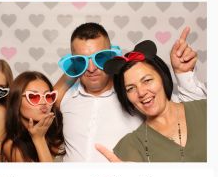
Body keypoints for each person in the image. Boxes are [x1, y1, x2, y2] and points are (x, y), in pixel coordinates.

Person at [56, 23, 206, 162]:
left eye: (99, 58)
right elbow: (43, 104)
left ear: (111, 56)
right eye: (81, 61)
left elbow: (189, 111)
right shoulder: (65, 98)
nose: (91, 68)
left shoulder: (132, 96)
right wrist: (75, 68)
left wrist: (183, 74)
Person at [101, 40, 206, 162]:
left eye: (147, 80)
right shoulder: (130, 146)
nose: (141, 93)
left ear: (162, 77)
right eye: (130, 88)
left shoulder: (205, 109)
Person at [1, 71, 64, 162]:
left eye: (48, 96)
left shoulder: (61, 130)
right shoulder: (11, 146)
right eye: (33, 97)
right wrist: (39, 139)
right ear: (16, 102)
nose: (44, 102)